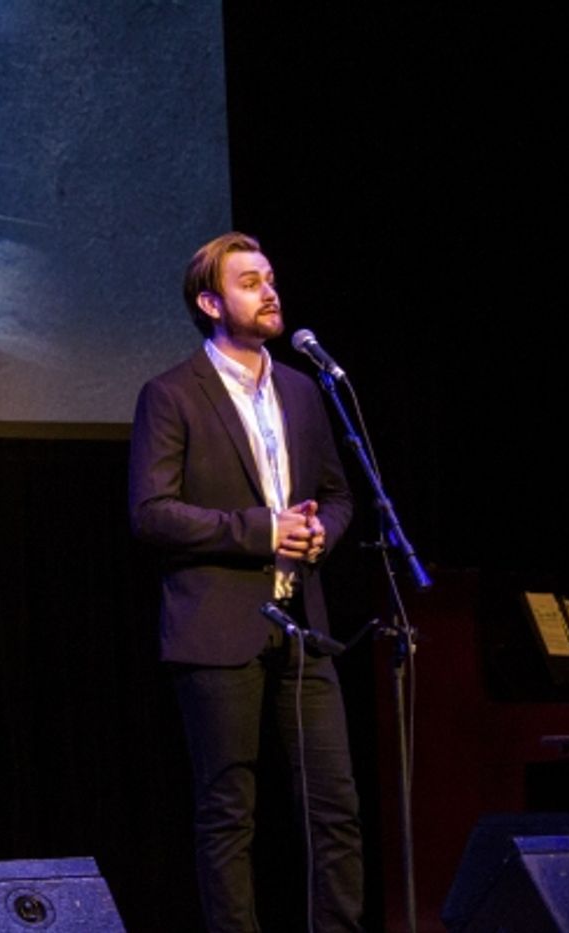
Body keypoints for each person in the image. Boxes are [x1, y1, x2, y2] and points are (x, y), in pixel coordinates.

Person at [128, 232, 363, 931]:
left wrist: (322, 533)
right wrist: (262, 530)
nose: (270, 292)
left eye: (270, 278)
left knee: (335, 808)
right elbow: (151, 512)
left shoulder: (303, 388)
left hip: (304, 628)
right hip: (218, 627)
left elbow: (338, 494)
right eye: (250, 282)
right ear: (210, 303)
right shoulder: (171, 394)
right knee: (229, 813)